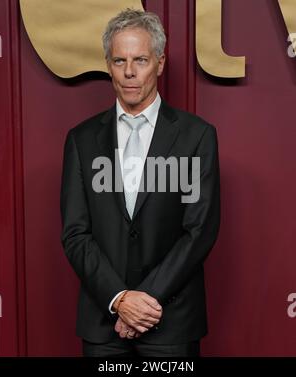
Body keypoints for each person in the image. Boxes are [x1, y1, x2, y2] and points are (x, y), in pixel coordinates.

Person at [60, 8, 220, 357]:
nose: (130, 72)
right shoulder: (81, 140)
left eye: (141, 59)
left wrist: (142, 305)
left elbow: (199, 230)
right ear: (108, 64)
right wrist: (119, 299)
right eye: (119, 60)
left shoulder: (197, 136)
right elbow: (75, 233)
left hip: (172, 323)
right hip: (103, 326)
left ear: (160, 63)